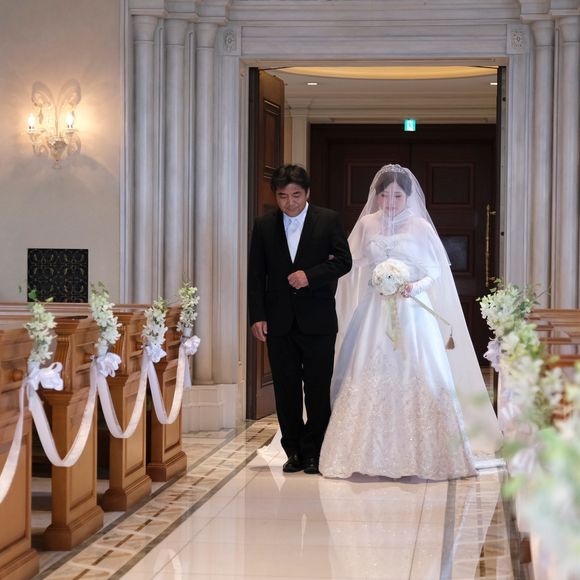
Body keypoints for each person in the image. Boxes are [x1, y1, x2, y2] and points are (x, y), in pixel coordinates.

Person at [319, 164, 502, 480]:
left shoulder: (420, 227)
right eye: (385, 196)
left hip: (412, 312)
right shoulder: (367, 224)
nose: (390, 202)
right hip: (375, 311)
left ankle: (424, 453)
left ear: (408, 196)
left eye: (397, 196)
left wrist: (413, 287)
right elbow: (353, 263)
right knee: (368, 370)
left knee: (416, 371)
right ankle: (363, 453)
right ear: (376, 196)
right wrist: (374, 280)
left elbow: (435, 271)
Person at [248, 164, 352, 474]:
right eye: (283, 196)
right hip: (278, 321)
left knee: (317, 388)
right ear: (275, 196)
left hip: (318, 320)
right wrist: (257, 316)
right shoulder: (264, 225)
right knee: (286, 388)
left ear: (307, 193)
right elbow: (256, 274)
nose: (289, 202)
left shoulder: (328, 220)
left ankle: (314, 452)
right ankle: (292, 450)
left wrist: (310, 275)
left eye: (296, 195)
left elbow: (344, 261)